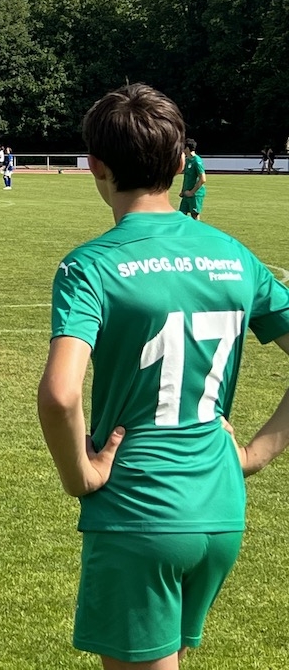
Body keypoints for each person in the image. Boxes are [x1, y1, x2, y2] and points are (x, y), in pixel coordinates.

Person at [38, 82, 289, 669]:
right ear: (180, 165)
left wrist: (80, 475)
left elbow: (60, 394)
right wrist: (253, 455)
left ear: (95, 166)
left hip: (140, 509)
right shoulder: (233, 255)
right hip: (219, 508)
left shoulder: (91, 266)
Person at [180, 137, 207, 220]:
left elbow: (203, 179)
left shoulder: (197, 161)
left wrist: (192, 192)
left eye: (183, 148)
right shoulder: (187, 160)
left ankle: (197, 229)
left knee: (194, 216)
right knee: (181, 215)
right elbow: (187, 177)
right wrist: (183, 190)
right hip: (186, 193)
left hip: (195, 194)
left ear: (187, 148)